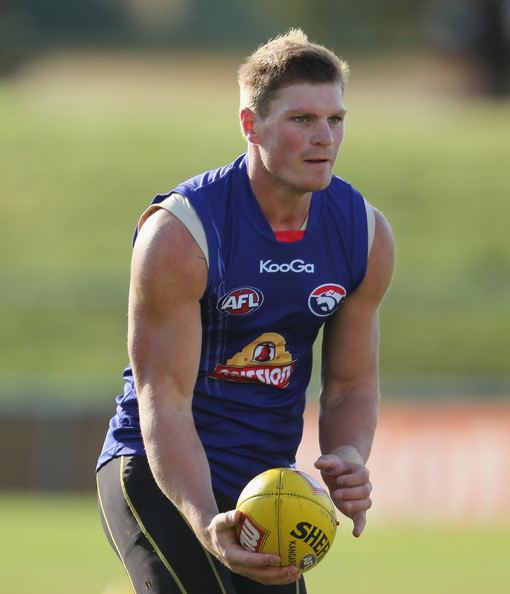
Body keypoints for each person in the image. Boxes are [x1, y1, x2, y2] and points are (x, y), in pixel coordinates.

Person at [96, 28, 394, 594]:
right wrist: (207, 520)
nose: (323, 138)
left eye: (335, 120)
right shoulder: (181, 235)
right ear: (250, 125)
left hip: (270, 487)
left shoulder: (364, 233)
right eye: (301, 120)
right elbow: (165, 399)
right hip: (161, 472)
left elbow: (351, 384)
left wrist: (349, 456)